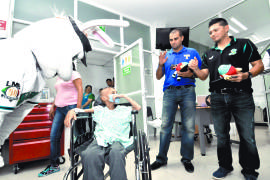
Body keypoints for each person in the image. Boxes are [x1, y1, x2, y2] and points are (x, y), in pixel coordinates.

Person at [188, 18, 264, 180]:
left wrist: (246, 74)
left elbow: (259, 65)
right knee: (221, 135)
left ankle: (249, 170)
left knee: (247, 136)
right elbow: (203, 76)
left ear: (226, 28)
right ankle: (224, 166)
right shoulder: (209, 53)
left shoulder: (244, 44)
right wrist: (195, 69)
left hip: (242, 96)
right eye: (210, 32)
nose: (212, 34)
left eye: (215, 30)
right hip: (217, 98)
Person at [150, 28, 202, 173]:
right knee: (165, 126)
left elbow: (200, 73)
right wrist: (160, 64)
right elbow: (158, 77)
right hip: (170, 93)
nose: (173, 42)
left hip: (188, 91)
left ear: (182, 38)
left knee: (189, 127)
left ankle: (186, 159)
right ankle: (161, 159)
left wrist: (190, 73)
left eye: (176, 39)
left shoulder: (192, 52)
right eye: (171, 40)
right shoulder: (166, 55)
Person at [64, 87, 141, 180]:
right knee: (89, 154)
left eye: (117, 92)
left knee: (116, 154)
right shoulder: (99, 109)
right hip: (100, 140)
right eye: (113, 93)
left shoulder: (123, 109)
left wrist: (124, 96)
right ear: (104, 98)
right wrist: (71, 111)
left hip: (118, 140)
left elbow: (138, 107)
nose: (116, 94)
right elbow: (81, 111)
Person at [38, 63, 83, 177]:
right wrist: (53, 105)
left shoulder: (74, 74)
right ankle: (54, 165)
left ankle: (80, 159)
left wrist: (77, 109)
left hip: (71, 107)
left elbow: (80, 89)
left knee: (75, 135)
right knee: (54, 136)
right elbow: (60, 93)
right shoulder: (59, 78)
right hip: (60, 109)